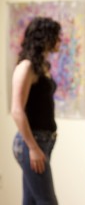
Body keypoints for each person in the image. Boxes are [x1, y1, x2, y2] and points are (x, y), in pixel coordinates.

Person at [11, 17, 62, 205]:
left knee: (31, 201)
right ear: (45, 37)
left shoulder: (42, 67)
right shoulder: (26, 67)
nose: (60, 41)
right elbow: (16, 110)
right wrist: (33, 147)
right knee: (47, 201)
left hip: (44, 141)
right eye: (57, 36)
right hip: (31, 142)